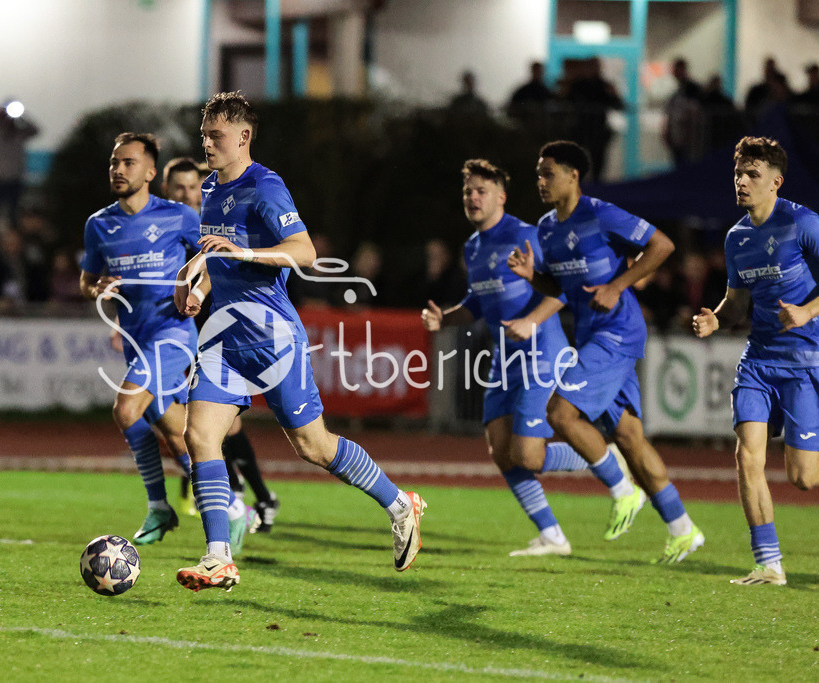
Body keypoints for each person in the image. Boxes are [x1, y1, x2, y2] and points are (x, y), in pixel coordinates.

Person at [173, 91, 425, 591]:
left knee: (314, 447)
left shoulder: (265, 186)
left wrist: (243, 253)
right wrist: (199, 286)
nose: (206, 143)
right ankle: (218, 557)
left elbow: (305, 252)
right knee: (199, 435)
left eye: (215, 135)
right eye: (204, 134)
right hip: (225, 337)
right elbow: (219, 261)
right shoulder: (210, 189)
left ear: (244, 137)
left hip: (272, 339)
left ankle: (401, 504)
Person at [508, 140, 705, 563]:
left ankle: (622, 490)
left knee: (560, 414)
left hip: (617, 333)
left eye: (548, 173)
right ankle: (683, 529)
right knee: (629, 436)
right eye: (538, 174)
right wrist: (532, 276)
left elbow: (662, 245)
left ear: (573, 175)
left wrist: (619, 285)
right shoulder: (546, 228)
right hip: (591, 336)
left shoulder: (600, 213)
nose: (541, 181)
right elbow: (560, 288)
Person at [421, 158, 623, 556]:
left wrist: (531, 320)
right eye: (468, 191)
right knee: (500, 450)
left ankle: (603, 454)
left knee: (527, 454)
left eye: (482, 191)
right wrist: (444, 319)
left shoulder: (526, 234)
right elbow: (478, 303)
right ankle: (552, 536)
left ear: (501, 197)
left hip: (541, 354)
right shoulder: (473, 247)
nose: (473, 197)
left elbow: (564, 286)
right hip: (505, 360)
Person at [79, 132, 258, 553]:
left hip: (174, 333)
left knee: (126, 407)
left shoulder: (178, 216)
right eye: (114, 163)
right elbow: (86, 281)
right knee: (177, 434)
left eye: (128, 163)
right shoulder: (98, 225)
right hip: (137, 341)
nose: (119, 170)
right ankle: (231, 505)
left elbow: (213, 258)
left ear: (150, 171)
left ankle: (159, 505)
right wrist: (96, 289)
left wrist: (197, 291)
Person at [693, 137, 819, 586]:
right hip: (759, 359)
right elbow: (735, 301)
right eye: (738, 174)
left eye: (752, 175)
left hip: (807, 361)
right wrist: (716, 319)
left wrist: (807, 311)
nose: (742, 182)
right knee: (747, 455)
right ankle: (769, 564)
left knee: (805, 479)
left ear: (775, 182)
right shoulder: (736, 238)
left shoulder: (803, 223)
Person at [161, 155, 281, 531]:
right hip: (180, 327)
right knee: (192, 420)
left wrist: (198, 289)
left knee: (221, 425)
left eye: (192, 187)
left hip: (222, 326)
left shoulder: (209, 222)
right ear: (166, 189)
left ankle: (250, 495)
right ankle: (234, 493)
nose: (186, 193)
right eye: (178, 187)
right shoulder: (163, 224)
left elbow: (217, 268)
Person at [0, 102, 39, 240]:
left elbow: (36, 130)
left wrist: (23, 116)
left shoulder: (21, 131)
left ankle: (15, 243)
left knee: (14, 215)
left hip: (15, 180)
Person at [663, 58, 703, 166]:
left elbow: (693, 114)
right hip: (678, 138)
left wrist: (688, 134)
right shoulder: (677, 92)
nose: (676, 72)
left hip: (688, 139)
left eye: (678, 69)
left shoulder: (693, 90)